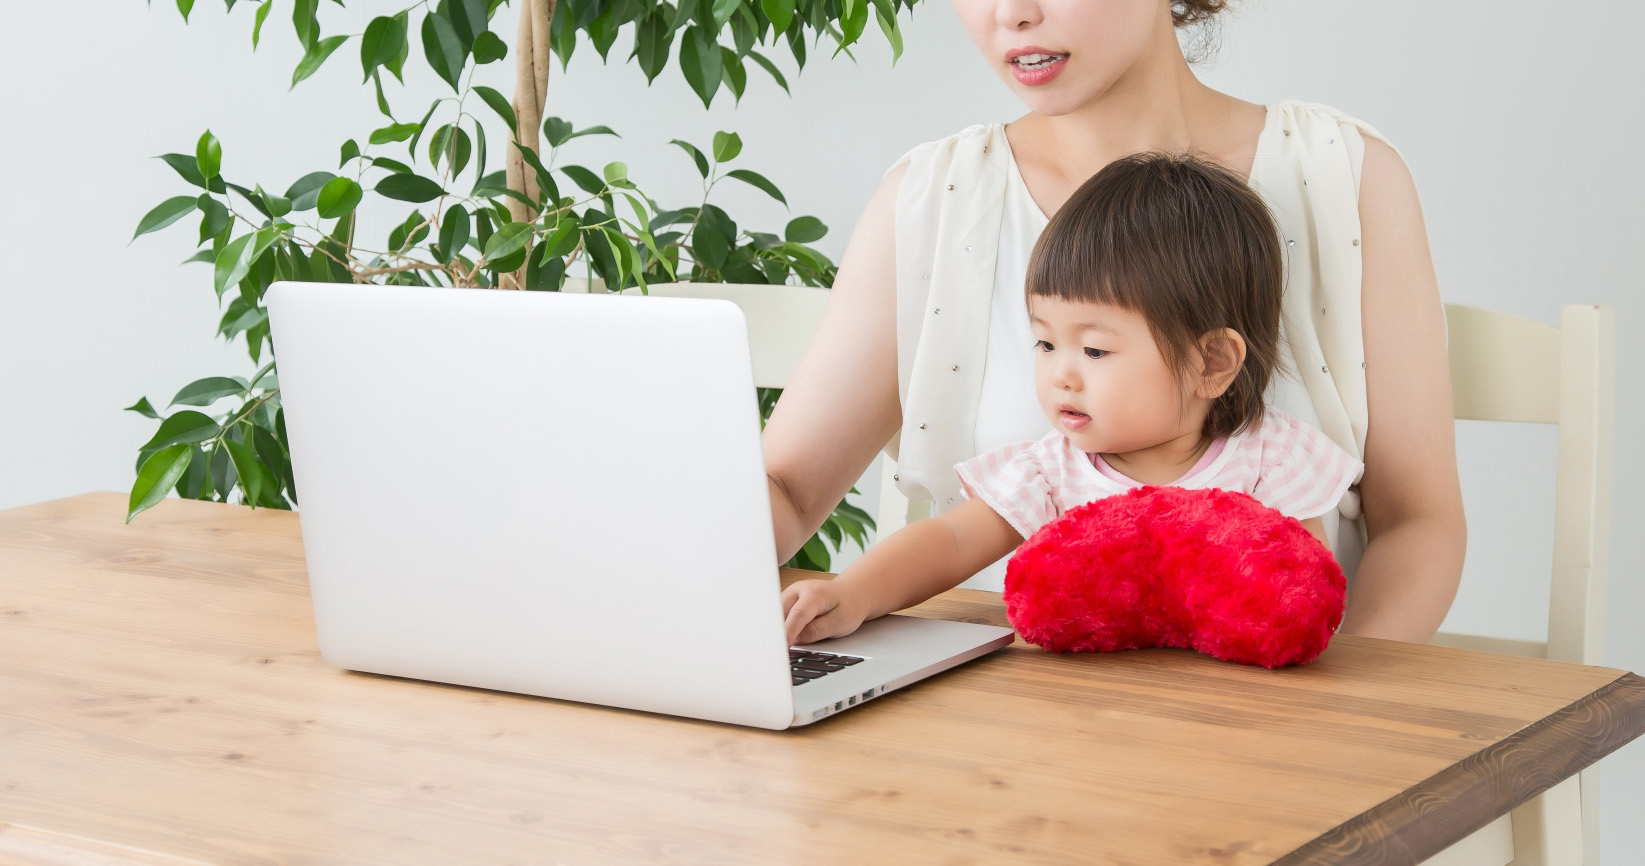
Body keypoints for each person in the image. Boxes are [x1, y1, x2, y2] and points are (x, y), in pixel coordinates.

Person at [761, 0, 1465, 644]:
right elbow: (785, 491)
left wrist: (1336, 701)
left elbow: (1416, 522)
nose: (1011, 14)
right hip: (1003, 708)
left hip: (1283, 710)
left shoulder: (1341, 176)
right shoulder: (933, 199)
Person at [781, 152, 1362, 645]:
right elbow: (951, 542)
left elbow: (1302, 593)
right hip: (1069, 713)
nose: (1060, 375)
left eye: (1095, 350)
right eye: (1045, 343)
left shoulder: (1269, 459)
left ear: (1212, 362)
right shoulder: (1051, 472)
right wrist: (854, 593)